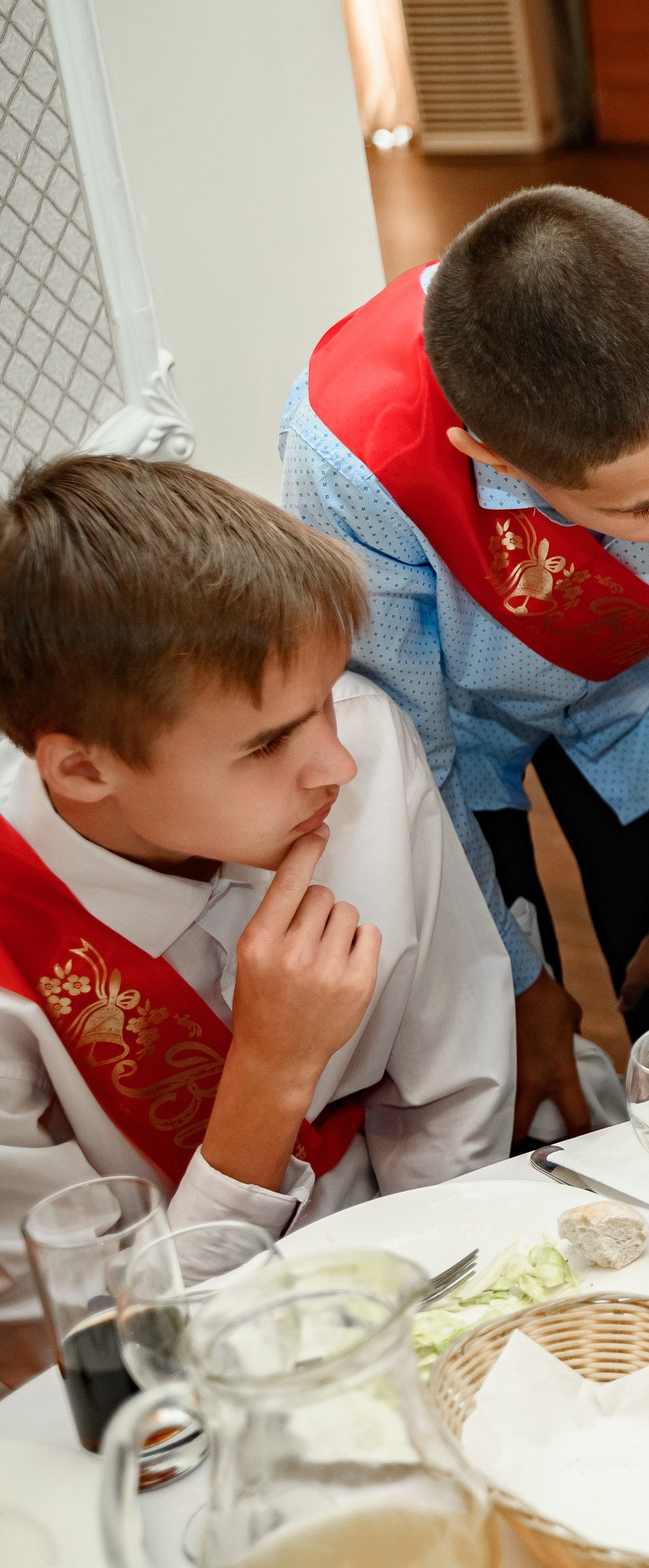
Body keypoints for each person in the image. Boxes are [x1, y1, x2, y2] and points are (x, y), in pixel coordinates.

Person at [281, 186, 649, 1137]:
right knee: (500, 1053)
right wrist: (508, 971)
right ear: (492, 457)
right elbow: (413, 751)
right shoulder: (351, 461)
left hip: (640, 696)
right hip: (452, 719)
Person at [0, 458, 513, 1380]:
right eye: (270, 740)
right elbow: (89, 1348)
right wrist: (270, 1076)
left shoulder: (362, 742)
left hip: (398, 1282)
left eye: (323, 698)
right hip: (187, 1379)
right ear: (82, 771)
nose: (336, 765)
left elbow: (453, 1087)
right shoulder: (13, 941)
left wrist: (444, 1328)